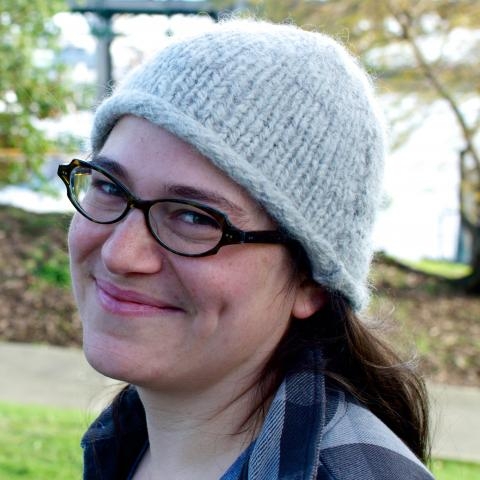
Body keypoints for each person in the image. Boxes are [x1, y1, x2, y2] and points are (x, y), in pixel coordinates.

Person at [58, 18, 435, 480]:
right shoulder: (127, 444)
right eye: (109, 186)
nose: (120, 254)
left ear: (311, 283)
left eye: (196, 218)